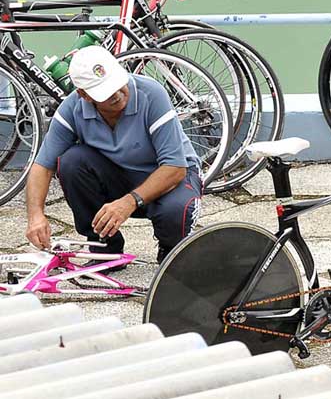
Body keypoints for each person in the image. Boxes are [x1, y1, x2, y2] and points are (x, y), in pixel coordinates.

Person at [25, 46, 202, 267]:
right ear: (84, 95)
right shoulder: (71, 108)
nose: (117, 94)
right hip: (121, 175)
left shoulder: (152, 94)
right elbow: (42, 166)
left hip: (172, 177)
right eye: (106, 92)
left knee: (175, 211)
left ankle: (170, 248)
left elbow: (175, 167)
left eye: (117, 84)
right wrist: (35, 216)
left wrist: (129, 202)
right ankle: (105, 248)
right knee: (71, 162)